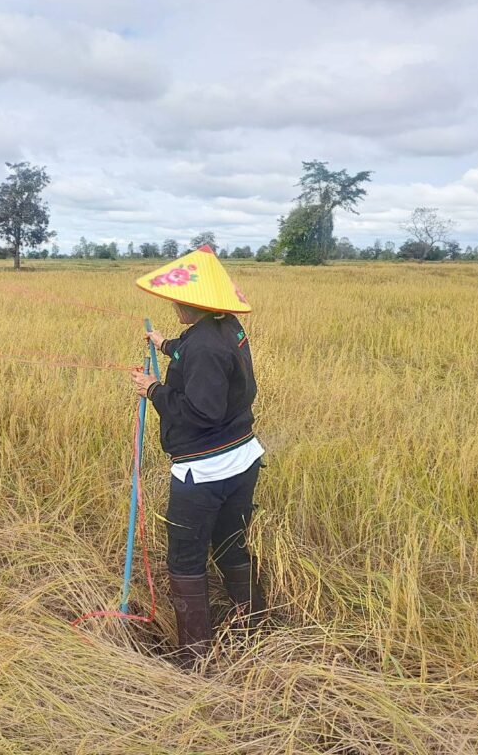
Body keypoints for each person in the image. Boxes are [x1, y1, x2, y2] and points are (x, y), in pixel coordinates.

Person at [130, 245, 266, 661]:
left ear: (197, 302)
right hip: (243, 459)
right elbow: (195, 351)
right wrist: (164, 344)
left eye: (178, 298)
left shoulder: (205, 345)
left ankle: (195, 654)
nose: (173, 304)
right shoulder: (225, 327)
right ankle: (257, 630)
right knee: (230, 546)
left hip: (204, 472)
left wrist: (154, 390)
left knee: (186, 559)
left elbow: (202, 412)